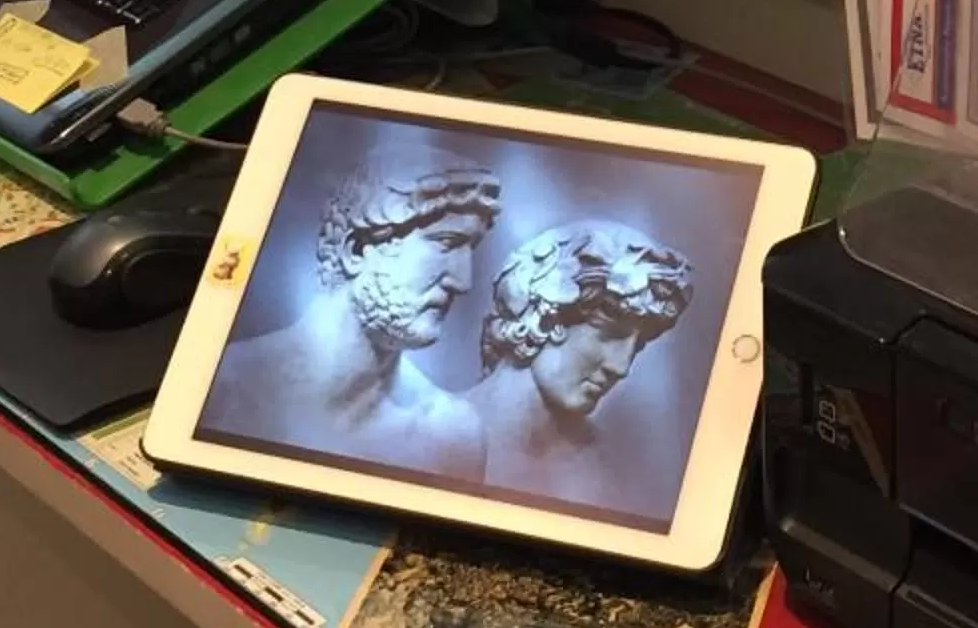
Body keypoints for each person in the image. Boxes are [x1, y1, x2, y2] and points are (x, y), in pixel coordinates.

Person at [201, 159, 498, 481]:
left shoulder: (452, 435)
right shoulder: (222, 382)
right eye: (447, 243)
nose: (462, 281)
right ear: (356, 251)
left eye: (471, 249)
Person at [466, 223, 694, 509]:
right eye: (611, 334)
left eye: (638, 345)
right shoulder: (428, 433)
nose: (621, 368)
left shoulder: (609, 474)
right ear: (549, 317)